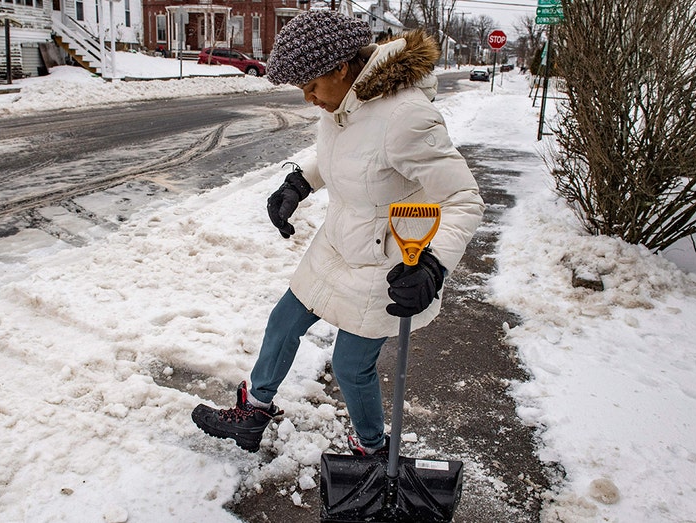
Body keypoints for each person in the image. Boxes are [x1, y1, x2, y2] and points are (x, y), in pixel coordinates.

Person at [192, 10, 484, 455]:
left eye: (311, 86)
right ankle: (253, 411)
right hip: (337, 244)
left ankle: (371, 446)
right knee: (283, 323)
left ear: (342, 67)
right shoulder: (343, 101)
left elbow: (464, 199)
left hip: (386, 261)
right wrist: (299, 182)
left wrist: (434, 264)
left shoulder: (407, 117)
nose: (309, 98)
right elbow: (344, 152)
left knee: (350, 367)